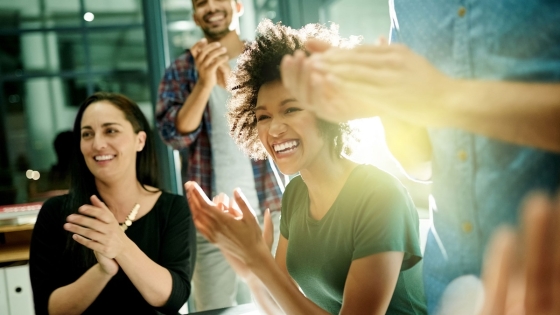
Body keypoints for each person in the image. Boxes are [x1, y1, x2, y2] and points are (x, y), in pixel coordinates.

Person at [279, 1, 560, 312]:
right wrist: (386, 102)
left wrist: (445, 98)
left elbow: (437, 98)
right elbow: (421, 162)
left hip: (545, 281)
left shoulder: (375, 196)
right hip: (449, 289)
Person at [185, 19, 427, 315]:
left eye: (291, 109)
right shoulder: (296, 194)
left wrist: (260, 260)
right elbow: (282, 307)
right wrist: (250, 270)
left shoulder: (380, 196)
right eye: (262, 117)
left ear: (327, 109)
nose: (274, 129)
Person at [156, 0, 283, 311]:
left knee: (282, 303)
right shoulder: (181, 70)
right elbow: (174, 134)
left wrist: (230, 80)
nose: (210, 7)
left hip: (272, 209)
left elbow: (282, 120)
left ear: (237, 5)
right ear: (194, 14)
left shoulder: (265, 58)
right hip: (212, 219)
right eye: (200, 2)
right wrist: (203, 82)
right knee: (212, 308)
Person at [29, 92, 195, 315]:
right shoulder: (56, 213)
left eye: (111, 131)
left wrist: (120, 245)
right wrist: (103, 271)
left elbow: (173, 299)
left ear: (140, 140)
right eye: (87, 134)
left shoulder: (172, 209)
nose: (98, 144)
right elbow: (48, 310)